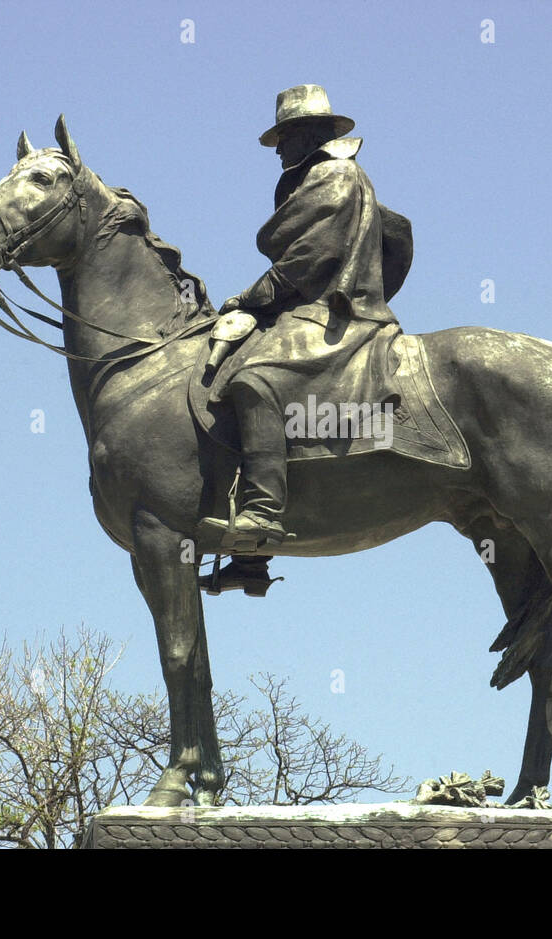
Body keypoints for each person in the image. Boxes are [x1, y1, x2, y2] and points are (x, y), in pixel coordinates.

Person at [198, 84, 412, 596]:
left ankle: (263, 515)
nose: (277, 150)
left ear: (310, 135)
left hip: (336, 312)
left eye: (284, 137)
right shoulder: (311, 178)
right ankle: (250, 563)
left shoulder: (334, 175)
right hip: (308, 307)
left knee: (253, 380)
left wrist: (246, 299)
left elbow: (309, 260)